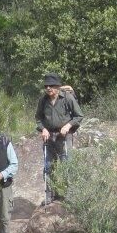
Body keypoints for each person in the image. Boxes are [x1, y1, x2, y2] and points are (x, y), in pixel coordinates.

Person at [35, 72, 84, 203]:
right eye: (46, 86)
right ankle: (50, 194)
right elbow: (38, 118)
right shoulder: (43, 100)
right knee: (48, 166)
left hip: (64, 136)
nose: (48, 88)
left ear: (58, 86)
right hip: (49, 137)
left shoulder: (67, 98)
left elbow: (79, 116)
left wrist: (68, 126)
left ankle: (70, 195)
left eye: (51, 85)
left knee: (67, 164)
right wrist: (43, 129)